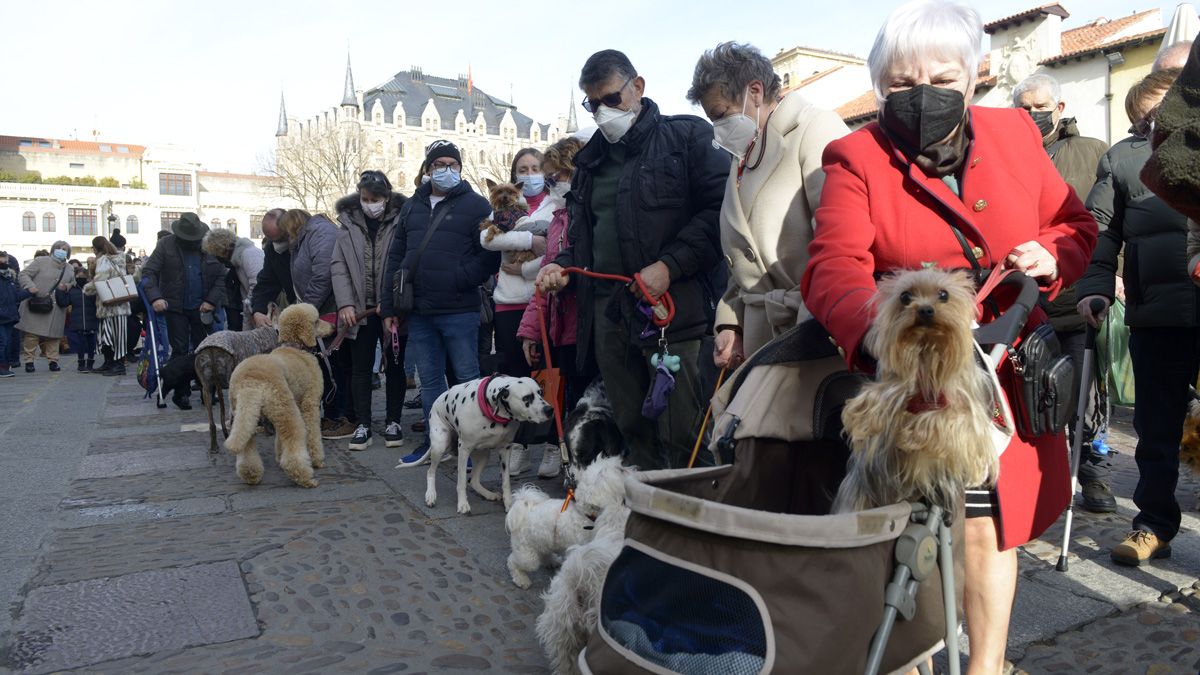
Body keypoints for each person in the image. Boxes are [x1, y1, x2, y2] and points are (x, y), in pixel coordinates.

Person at [797, 1, 1097, 671]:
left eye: (939, 76)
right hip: (914, 380)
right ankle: (908, 651)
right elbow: (830, 269)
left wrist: (1052, 255)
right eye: (902, 83)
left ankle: (985, 664)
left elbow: (1074, 224)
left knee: (991, 527)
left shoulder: (1017, 133)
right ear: (880, 88)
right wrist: (883, 337)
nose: (921, 93)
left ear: (971, 76)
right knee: (904, 527)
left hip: (1004, 370)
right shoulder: (856, 156)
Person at [536, 49, 727, 471]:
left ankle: (686, 524)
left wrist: (669, 266)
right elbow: (584, 235)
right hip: (609, 315)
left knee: (682, 430)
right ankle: (641, 518)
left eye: (611, 99)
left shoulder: (687, 138)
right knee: (629, 425)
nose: (602, 112)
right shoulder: (588, 163)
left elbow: (720, 213)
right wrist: (562, 265)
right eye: (593, 103)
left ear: (637, 88)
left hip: (672, 315)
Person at [1076, 67, 1197, 567]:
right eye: (1150, 115)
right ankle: (1153, 525)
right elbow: (1102, 229)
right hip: (1157, 312)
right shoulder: (1123, 160)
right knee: (1155, 427)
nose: (1160, 122)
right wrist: (1096, 287)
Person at [687, 41, 849, 367]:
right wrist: (733, 320)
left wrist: (810, 325)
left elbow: (841, 245)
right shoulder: (745, 152)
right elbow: (742, 259)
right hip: (764, 337)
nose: (718, 130)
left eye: (720, 115)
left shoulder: (817, 130)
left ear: (756, 91)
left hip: (815, 336)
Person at [1011, 72, 1115, 513]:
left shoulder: (1093, 152)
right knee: (1025, 394)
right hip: (1022, 300)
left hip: (1074, 296)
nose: (1032, 116)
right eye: (1024, 109)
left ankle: (1084, 471)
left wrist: (1110, 279)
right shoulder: (1007, 152)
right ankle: (1031, 477)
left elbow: (1108, 225)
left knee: (1075, 394)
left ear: (1058, 108)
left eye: (1040, 108)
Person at [383, 140, 498, 466]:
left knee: (466, 379)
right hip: (419, 310)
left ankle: (472, 446)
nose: (445, 170)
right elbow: (396, 256)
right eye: (438, 164)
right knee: (430, 381)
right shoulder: (411, 206)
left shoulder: (476, 205)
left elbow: (489, 256)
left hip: (459, 308)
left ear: (459, 168)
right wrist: (389, 307)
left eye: (452, 164)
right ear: (428, 168)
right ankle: (436, 443)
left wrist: (463, 277)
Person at [333, 170, 409, 451]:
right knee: (360, 368)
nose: (370, 203)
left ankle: (393, 420)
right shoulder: (347, 224)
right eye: (366, 198)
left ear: (386, 198)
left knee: (395, 365)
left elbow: (404, 263)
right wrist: (345, 303)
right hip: (359, 309)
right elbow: (338, 266)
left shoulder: (402, 220)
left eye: (376, 199)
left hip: (391, 309)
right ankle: (363, 422)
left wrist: (392, 302)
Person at [141, 212, 227, 361]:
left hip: (202, 307)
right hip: (175, 307)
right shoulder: (165, 244)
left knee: (203, 349)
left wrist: (211, 301)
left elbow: (222, 276)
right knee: (179, 349)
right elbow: (149, 272)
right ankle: (181, 383)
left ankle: (202, 383)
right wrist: (155, 298)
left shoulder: (210, 246)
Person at [16, 240, 74, 372]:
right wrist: (30, 287)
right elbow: (23, 274)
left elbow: (73, 282)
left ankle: (53, 361)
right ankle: (29, 361)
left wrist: (67, 286)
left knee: (54, 336)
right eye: (59, 248)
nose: (61, 250)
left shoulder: (69, 268)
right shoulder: (41, 261)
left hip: (56, 306)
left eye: (65, 249)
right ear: (53, 249)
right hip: (37, 302)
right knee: (32, 335)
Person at [83, 237, 133, 377]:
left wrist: (86, 288)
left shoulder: (104, 261)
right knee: (114, 335)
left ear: (95, 249)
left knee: (111, 336)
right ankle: (110, 362)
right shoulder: (119, 258)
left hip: (109, 304)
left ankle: (117, 365)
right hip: (120, 303)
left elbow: (100, 281)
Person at [201, 227, 264, 329]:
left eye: (215, 253)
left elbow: (258, 284)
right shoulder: (236, 260)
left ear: (220, 248)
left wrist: (251, 310)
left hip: (261, 309)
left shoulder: (249, 254)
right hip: (253, 308)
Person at [0, 251, 31, 378]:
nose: (4, 264)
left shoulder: (9, 278)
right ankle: (2, 367)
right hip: (2, 316)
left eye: (5, 262)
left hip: (9, 316)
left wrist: (29, 292)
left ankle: (6, 366)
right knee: (2, 342)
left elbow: (15, 296)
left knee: (6, 342)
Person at [65, 263, 98, 371]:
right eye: (79, 276)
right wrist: (61, 291)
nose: (81, 278)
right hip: (78, 319)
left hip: (91, 318)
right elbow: (64, 302)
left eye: (83, 276)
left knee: (91, 342)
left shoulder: (92, 288)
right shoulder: (72, 290)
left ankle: (90, 362)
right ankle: (80, 363)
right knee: (81, 342)